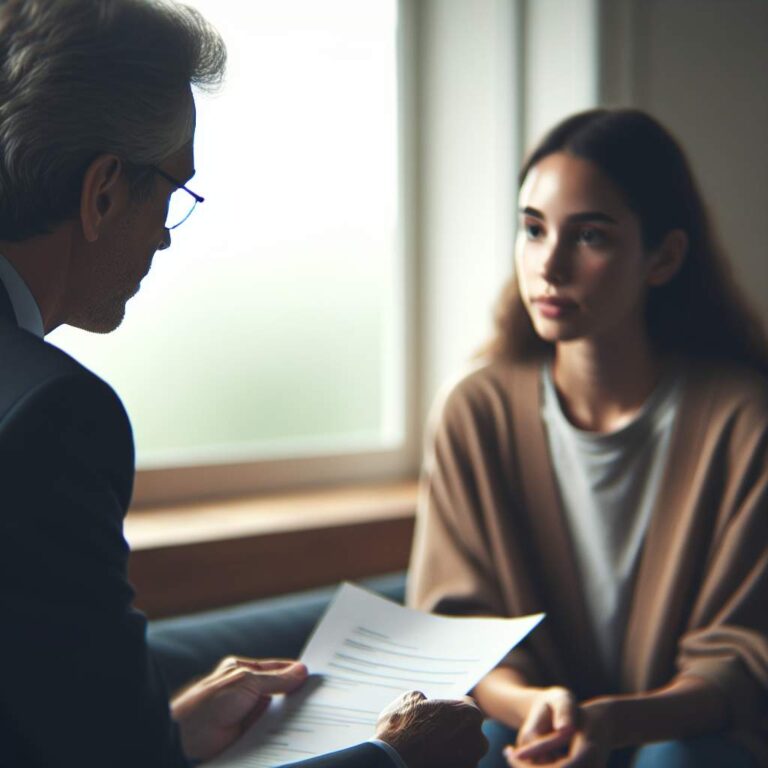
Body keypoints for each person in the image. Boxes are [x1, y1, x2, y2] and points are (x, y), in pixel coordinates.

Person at [0, 1, 488, 767]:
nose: (164, 233)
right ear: (101, 192)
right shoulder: (53, 414)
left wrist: (163, 730)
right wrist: (396, 759)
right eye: (170, 191)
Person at [408, 107, 768, 768]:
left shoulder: (743, 421)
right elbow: (456, 632)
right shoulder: (475, 412)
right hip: (529, 720)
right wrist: (535, 707)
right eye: (533, 229)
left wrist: (613, 723)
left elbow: (743, 658)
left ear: (663, 256)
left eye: (590, 237)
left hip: (686, 732)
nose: (549, 265)